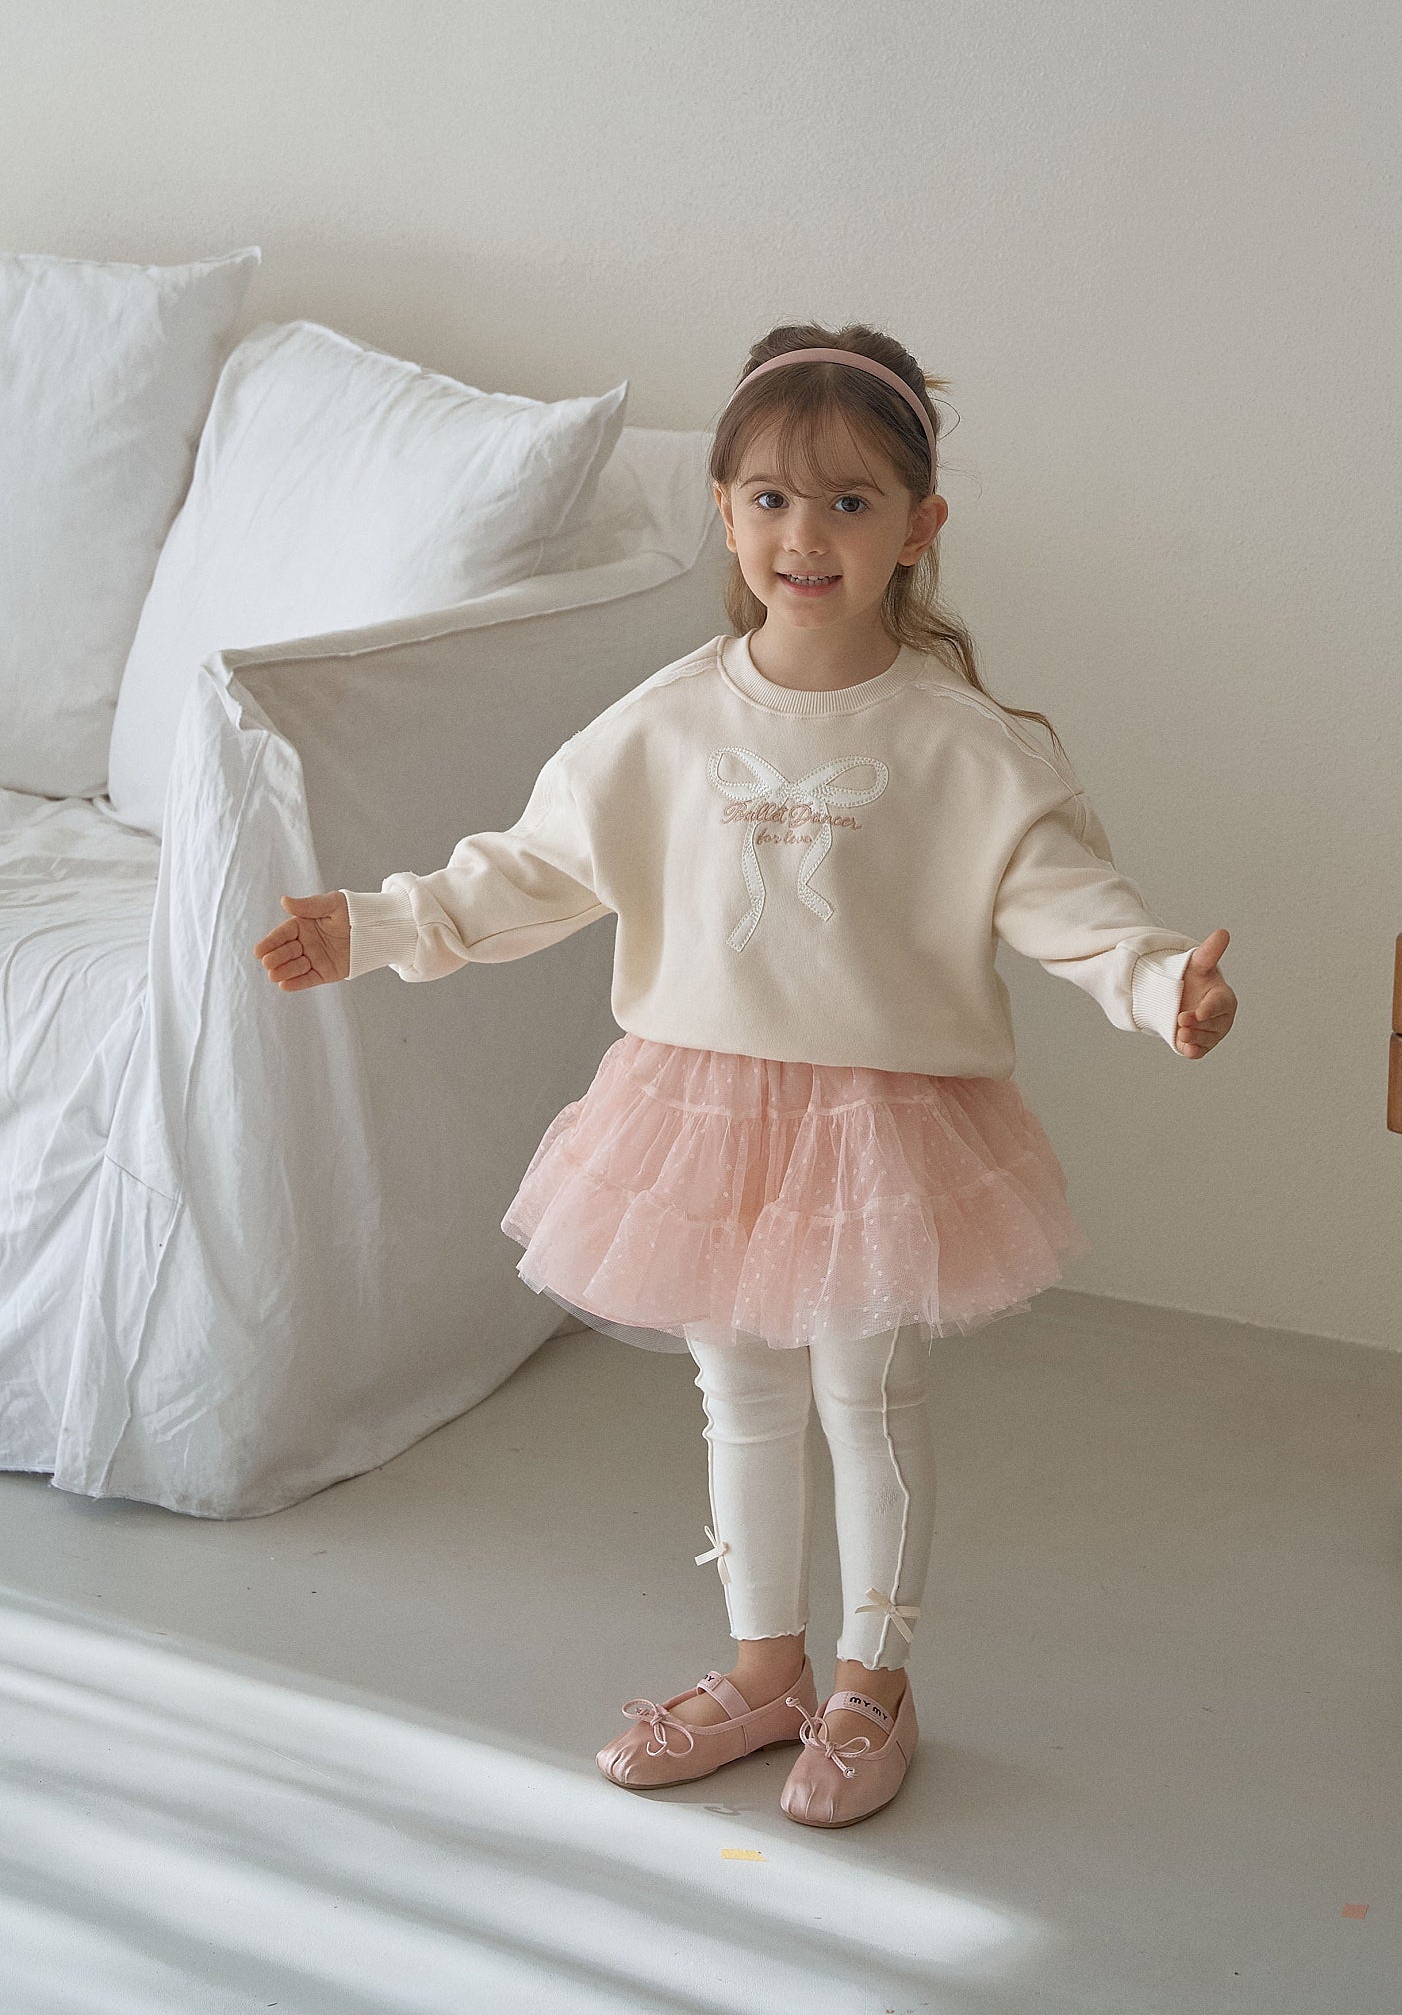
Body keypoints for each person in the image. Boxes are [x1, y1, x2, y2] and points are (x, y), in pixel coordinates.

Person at [253, 322, 1237, 1829]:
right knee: (742, 1395)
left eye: (850, 501)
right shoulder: (664, 723)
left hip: (881, 1119)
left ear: (920, 526)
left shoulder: (964, 744)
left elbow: (1065, 901)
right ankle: (767, 1670)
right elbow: (532, 869)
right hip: (702, 1109)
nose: (806, 535)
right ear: (724, 513)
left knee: (866, 1390)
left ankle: (872, 1687)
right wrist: (378, 925)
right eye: (772, 498)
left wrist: (1163, 982)